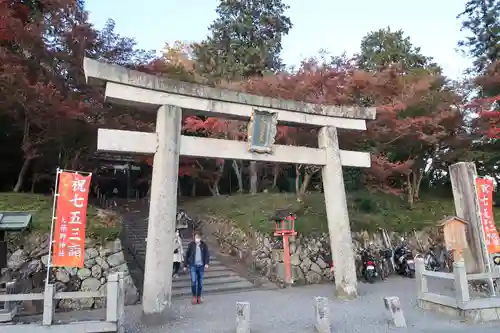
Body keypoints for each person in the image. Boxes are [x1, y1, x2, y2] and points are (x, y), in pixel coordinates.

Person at [183, 231, 209, 304]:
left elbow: (207, 254)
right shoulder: (191, 245)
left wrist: (206, 263)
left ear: (200, 238)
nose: (196, 239)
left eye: (198, 237)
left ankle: (199, 297)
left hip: (201, 266)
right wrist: (185, 265)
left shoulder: (204, 245)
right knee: (193, 282)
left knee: (200, 283)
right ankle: (194, 296)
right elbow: (187, 255)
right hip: (193, 266)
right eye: (195, 237)